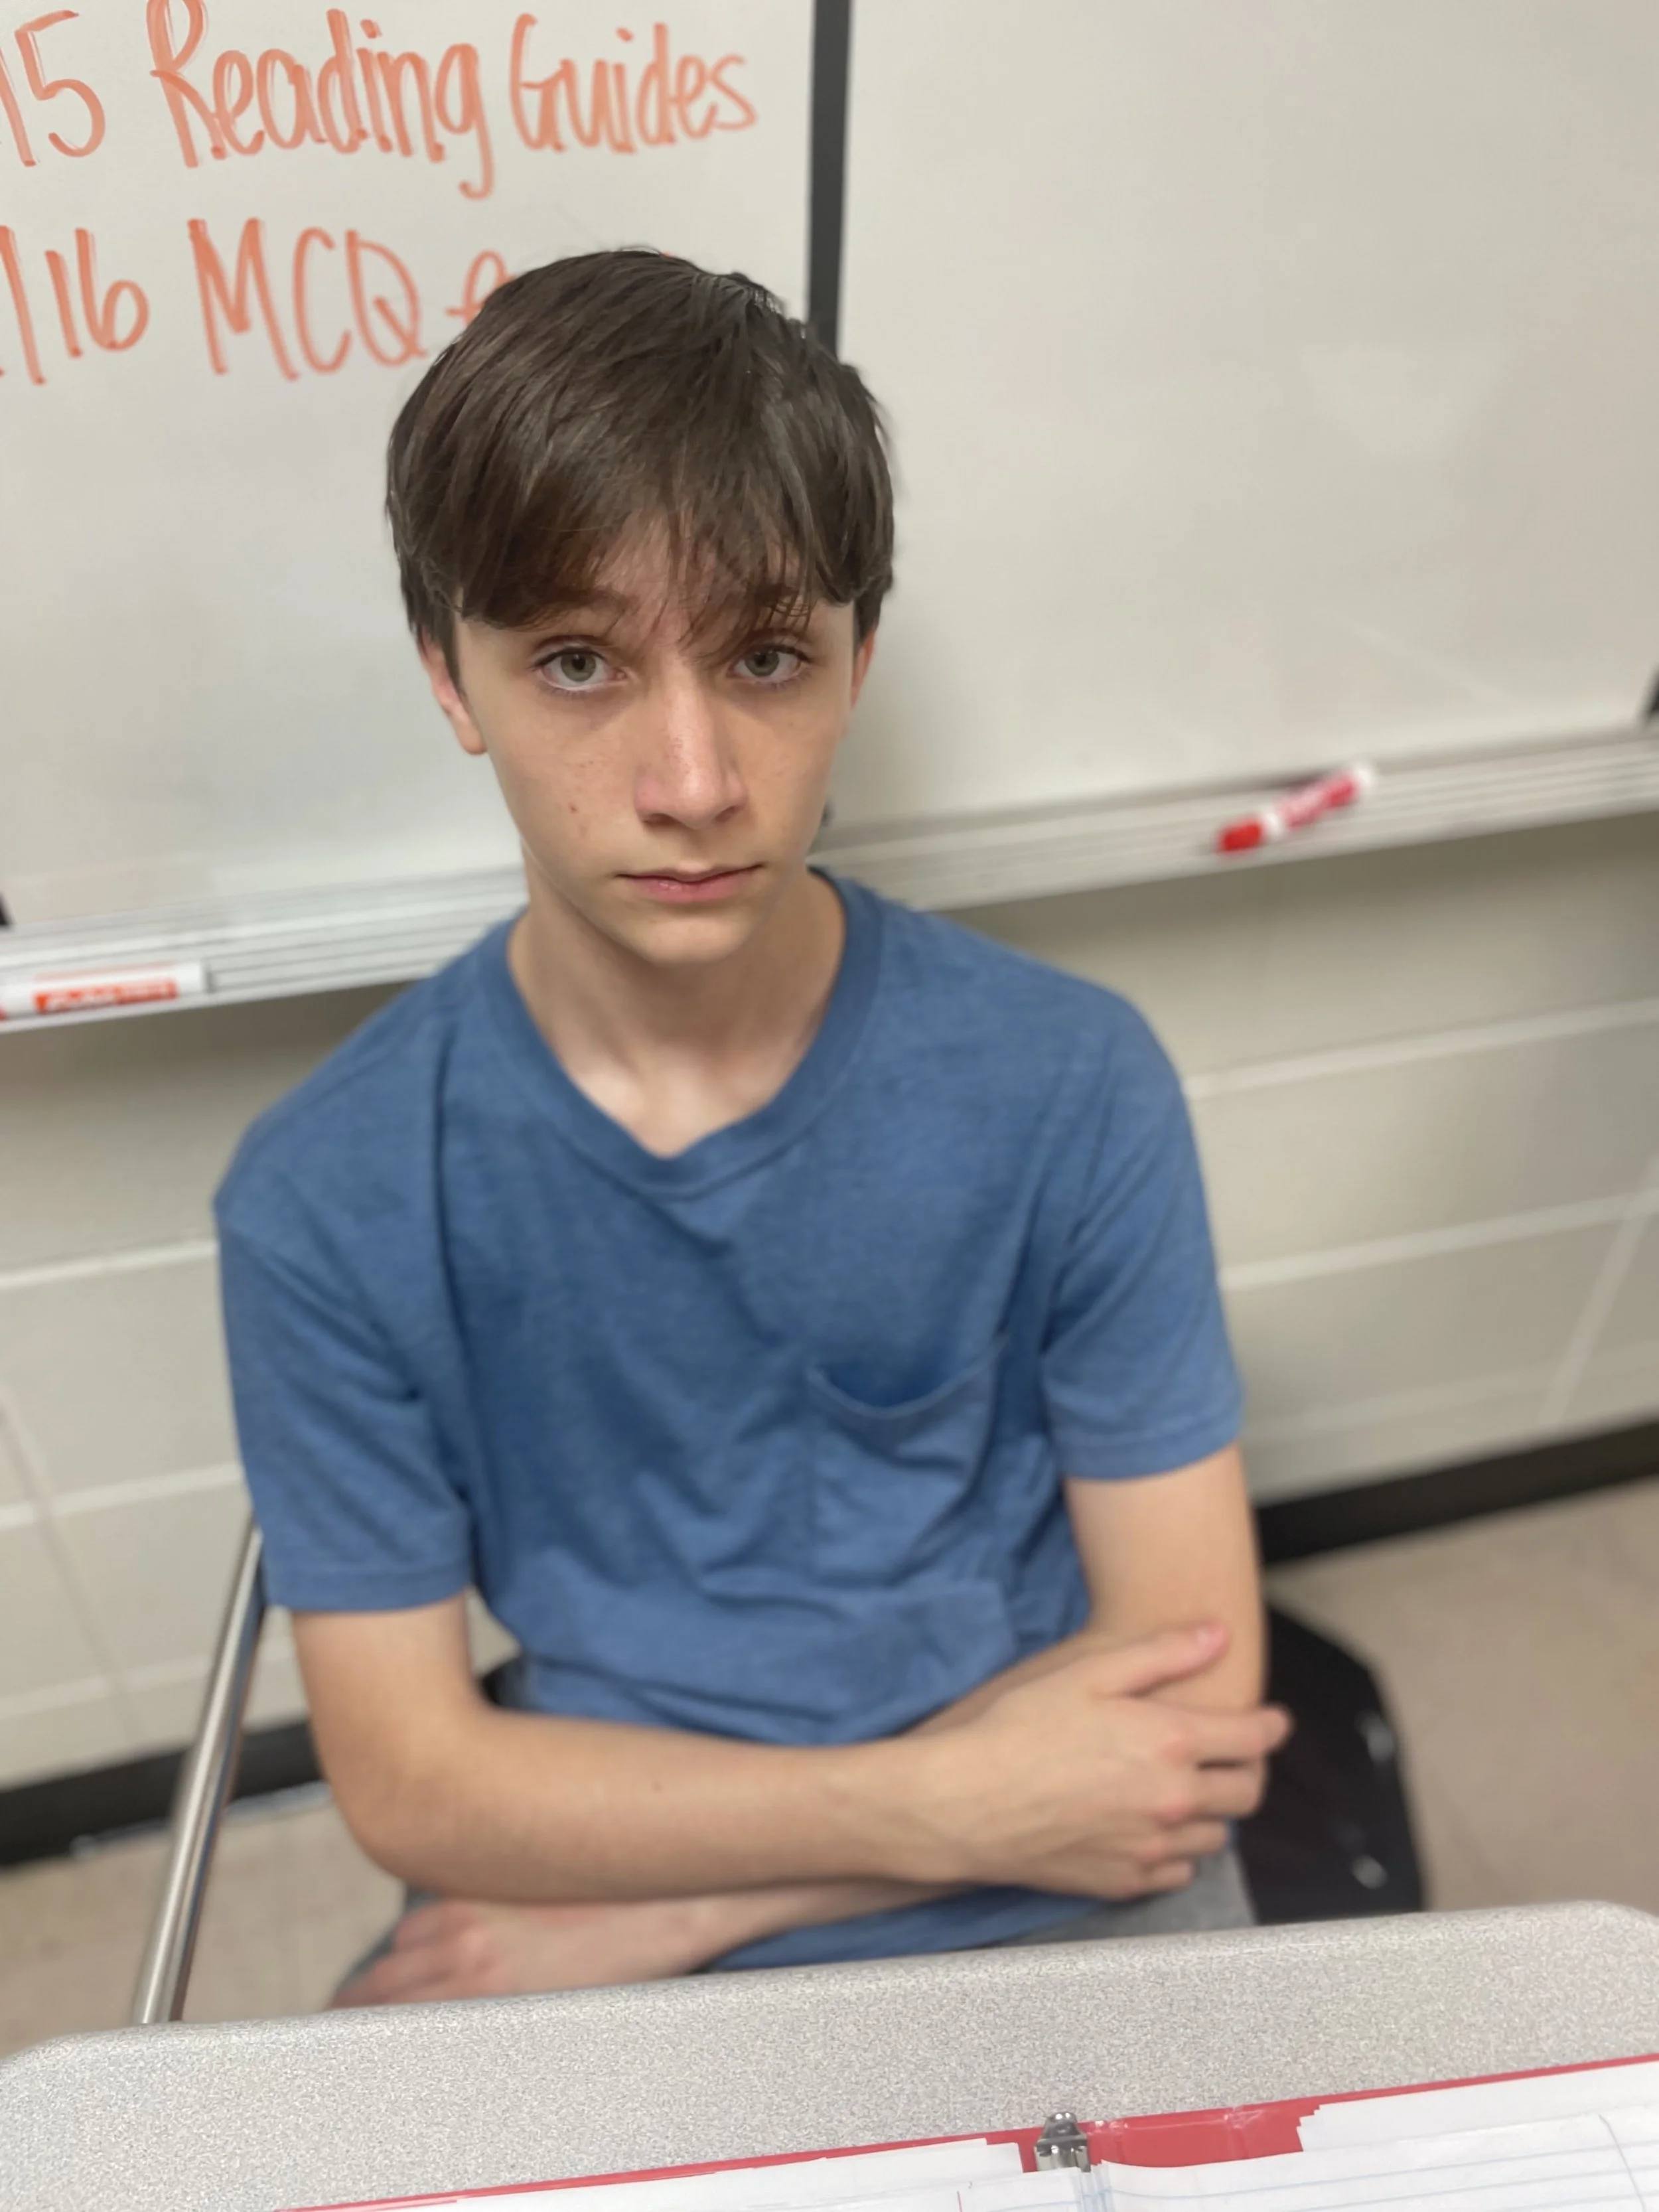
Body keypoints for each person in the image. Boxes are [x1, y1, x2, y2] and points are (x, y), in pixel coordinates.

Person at [215, 250, 1289, 2008]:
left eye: (766, 653)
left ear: (857, 657)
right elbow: (415, 1786)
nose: (694, 778)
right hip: (802, 1834)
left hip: (1028, 1854)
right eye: (576, 662)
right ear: (447, 671)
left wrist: (691, 1902)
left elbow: (1191, 1696)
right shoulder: (324, 1199)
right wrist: (941, 1806)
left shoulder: (1070, 1080)